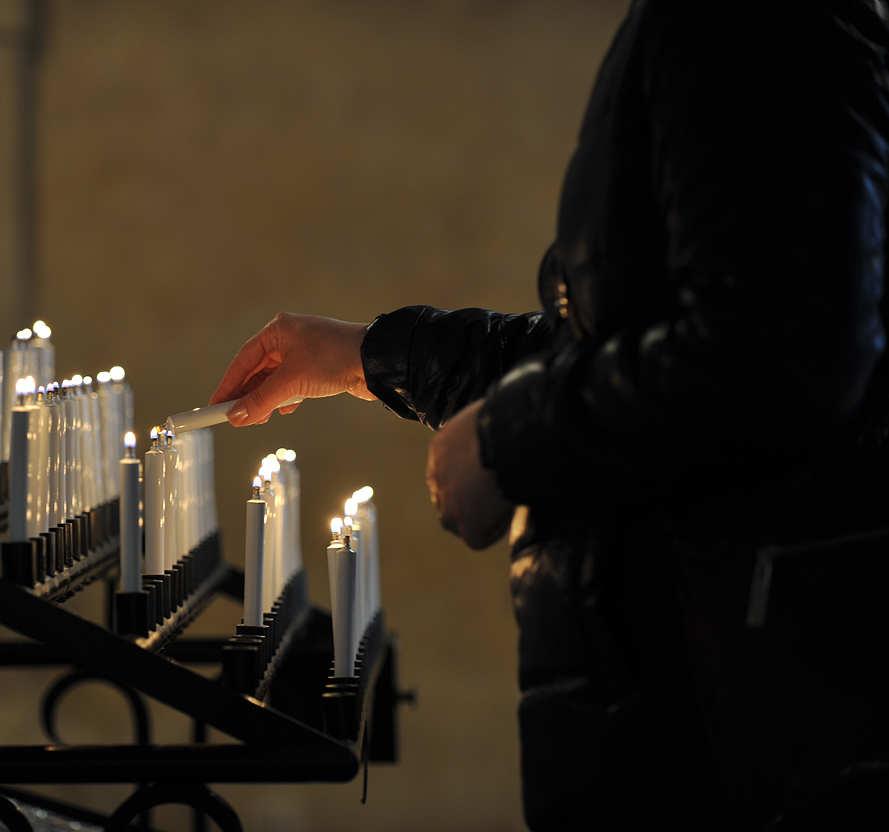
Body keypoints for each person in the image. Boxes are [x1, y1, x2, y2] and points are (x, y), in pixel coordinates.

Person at [209, 1, 889, 829]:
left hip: (728, 722)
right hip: (697, 695)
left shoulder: (748, 22)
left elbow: (774, 356)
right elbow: (614, 342)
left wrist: (506, 439)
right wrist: (368, 355)